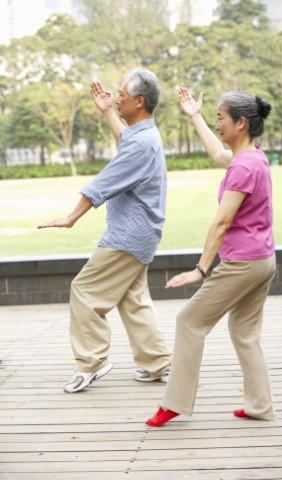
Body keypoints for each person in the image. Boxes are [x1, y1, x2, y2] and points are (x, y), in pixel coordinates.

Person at [146, 87, 276, 427]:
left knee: (189, 321)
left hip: (243, 264)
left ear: (241, 123)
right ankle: (260, 405)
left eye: (221, 118)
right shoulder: (254, 158)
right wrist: (195, 116)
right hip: (264, 260)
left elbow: (221, 222)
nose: (218, 124)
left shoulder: (244, 167)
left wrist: (200, 270)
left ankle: (174, 403)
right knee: (244, 331)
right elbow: (219, 154)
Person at [38, 68, 171, 393]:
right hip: (141, 234)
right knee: (133, 298)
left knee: (84, 291)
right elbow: (127, 140)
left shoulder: (142, 144)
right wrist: (107, 111)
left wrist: (71, 217)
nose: (116, 97)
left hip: (127, 235)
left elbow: (103, 183)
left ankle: (92, 362)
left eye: (121, 95)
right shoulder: (144, 135)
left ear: (139, 101)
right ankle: (156, 363)